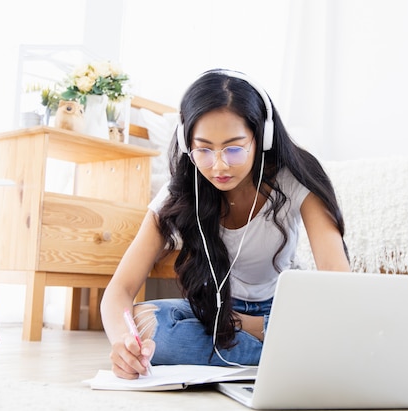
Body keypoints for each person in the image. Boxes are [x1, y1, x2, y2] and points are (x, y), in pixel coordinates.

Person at [101, 69, 351, 379]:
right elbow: (119, 290)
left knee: (339, 320)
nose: (219, 166)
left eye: (234, 148)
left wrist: (245, 325)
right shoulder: (181, 192)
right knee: (146, 325)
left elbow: (340, 283)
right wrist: (124, 345)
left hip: (283, 311)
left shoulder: (296, 179)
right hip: (216, 312)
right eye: (203, 150)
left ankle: (267, 342)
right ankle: (291, 357)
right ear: (186, 143)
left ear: (262, 138)